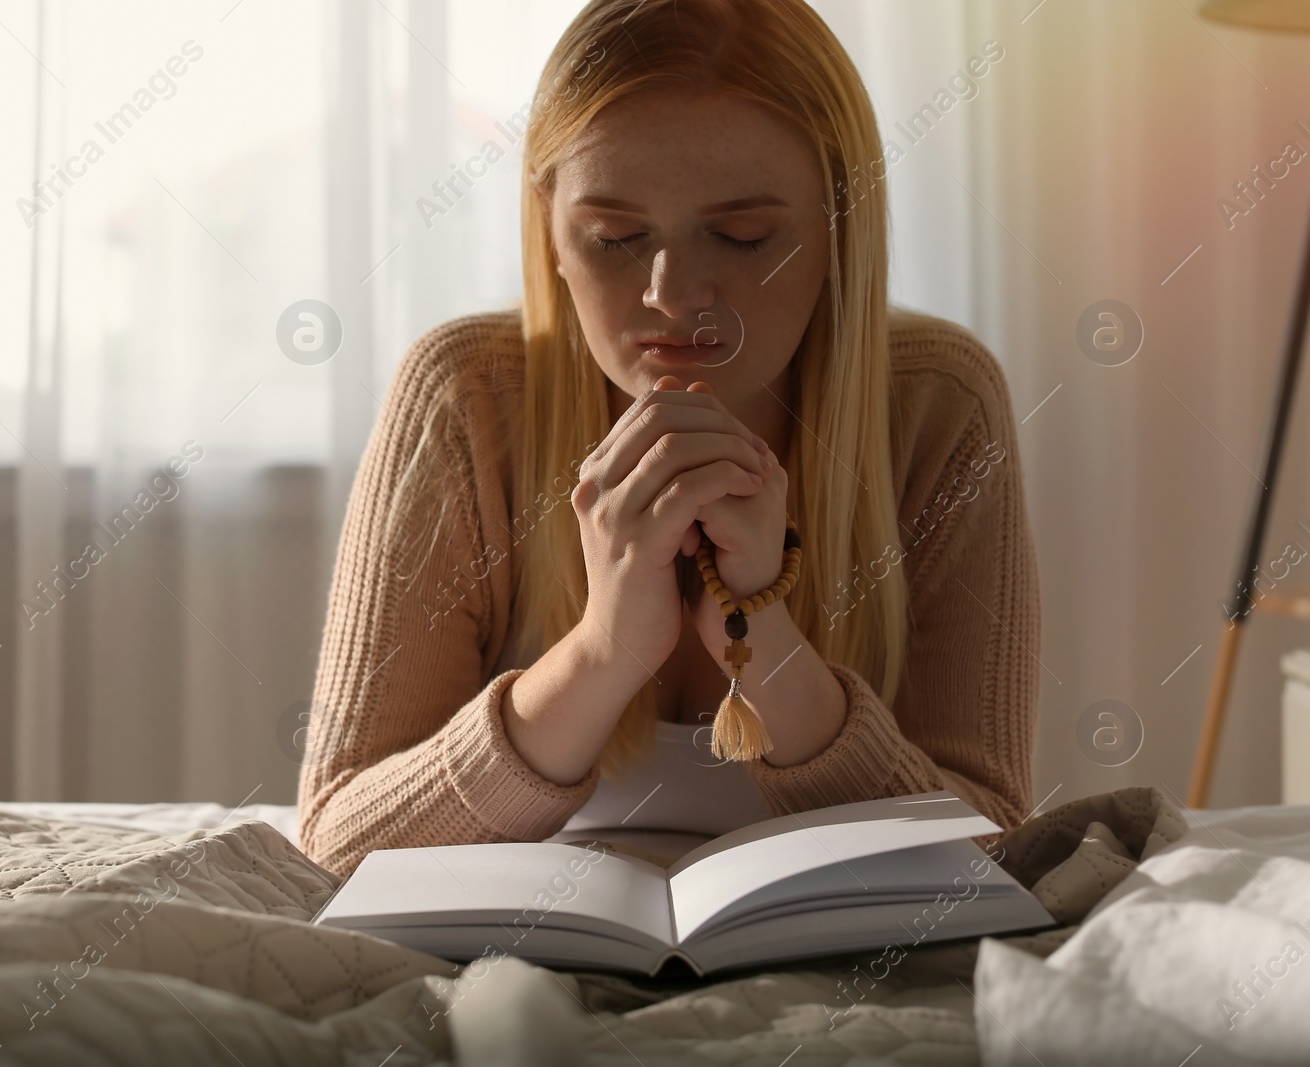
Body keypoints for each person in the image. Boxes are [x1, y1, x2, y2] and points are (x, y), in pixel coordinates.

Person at [297, 0, 1040, 878]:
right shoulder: (464, 401)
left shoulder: (940, 407)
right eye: (614, 237)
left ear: (842, 227)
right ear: (551, 230)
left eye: (742, 235)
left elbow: (990, 853)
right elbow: (340, 843)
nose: (673, 295)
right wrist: (603, 649)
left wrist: (764, 632)